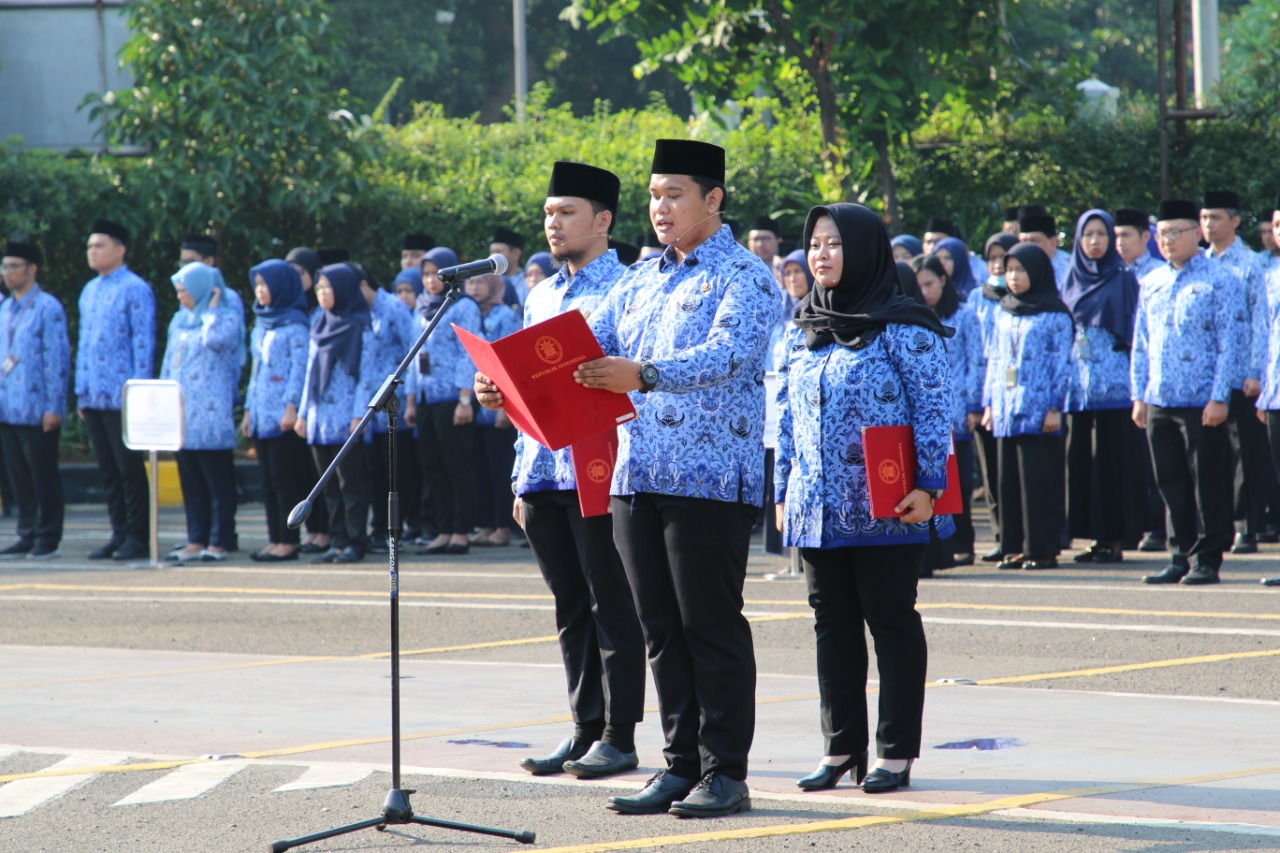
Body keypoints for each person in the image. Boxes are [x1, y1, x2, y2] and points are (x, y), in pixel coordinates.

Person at [574, 138, 780, 818]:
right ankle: (679, 764)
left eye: (674, 195)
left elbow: (727, 353)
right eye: (654, 195)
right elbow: (587, 343)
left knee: (708, 625)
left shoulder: (746, 276)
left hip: (710, 478)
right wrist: (512, 384)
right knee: (659, 626)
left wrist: (647, 375)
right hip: (637, 473)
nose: (659, 208)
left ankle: (726, 770)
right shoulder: (640, 277)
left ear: (712, 200)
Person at [476, 160, 648, 781]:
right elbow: (530, 393)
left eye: (566, 212)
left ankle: (619, 735)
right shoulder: (541, 292)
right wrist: (497, 398)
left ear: (602, 220)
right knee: (569, 604)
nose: (553, 223)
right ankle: (582, 731)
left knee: (612, 602)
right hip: (545, 470)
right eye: (548, 212)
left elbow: (640, 380)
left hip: (603, 468)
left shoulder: (631, 288)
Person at [775, 203, 953, 794]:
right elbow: (784, 417)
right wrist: (783, 491)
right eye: (815, 244)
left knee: (891, 622)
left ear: (866, 250)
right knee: (832, 625)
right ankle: (839, 748)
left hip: (889, 504)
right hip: (817, 507)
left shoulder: (905, 325)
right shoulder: (801, 328)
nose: (821, 254)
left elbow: (932, 411)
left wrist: (930, 487)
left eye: (834, 243)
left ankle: (895, 752)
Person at [1132, 199, 1246, 586]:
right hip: (1160, 397)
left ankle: (1208, 557)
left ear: (1196, 232)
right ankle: (1179, 554)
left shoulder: (1220, 279)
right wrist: (1139, 395)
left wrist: (1219, 397)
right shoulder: (1151, 282)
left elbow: (1231, 342)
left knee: (1207, 480)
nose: (1167, 240)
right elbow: (1141, 343)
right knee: (1170, 481)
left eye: (1175, 232)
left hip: (1202, 401)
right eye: (1161, 233)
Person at [1060, 210, 1145, 564]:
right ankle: (1094, 536)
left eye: (1101, 234)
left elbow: (1134, 332)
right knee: (1084, 464)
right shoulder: (1069, 280)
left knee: (1113, 464)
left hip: (1116, 388)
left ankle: (1114, 538)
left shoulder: (1123, 278)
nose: (1095, 241)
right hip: (1079, 389)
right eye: (1088, 234)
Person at [983, 242, 1074, 570]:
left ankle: (1042, 550)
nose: (1014, 277)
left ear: (1036, 272)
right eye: (1009, 270)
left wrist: (1055, 406)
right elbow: (994, 359)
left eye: (1021, 270)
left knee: (1038, 483)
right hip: (1006, 409)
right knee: (1008, 483)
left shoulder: (1055, 314)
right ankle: (1015, 547)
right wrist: (989, 404)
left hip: (1039, 411)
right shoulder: (1003, 309)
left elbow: (1062, 363)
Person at [76, 219, 155, 561]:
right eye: (90, 246)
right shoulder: (89, 290)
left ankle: (139, 536)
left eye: (100, 246)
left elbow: (143, 342)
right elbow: (84, 343)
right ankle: (119, 533)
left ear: (119, 250)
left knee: (129, 468)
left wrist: (139, 391)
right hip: (94, 394)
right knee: (108, 470)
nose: (92, 252)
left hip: (123, 395)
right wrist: (81, 390)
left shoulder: (135, 288)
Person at [1200, 191, 1274, 555]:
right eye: (1204, 217)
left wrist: (1256, 370)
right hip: (1207, 374)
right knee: (1210, 456)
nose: (1209, 224)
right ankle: (1215, 523)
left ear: (1234, 221)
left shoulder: (1251, 264)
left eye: (1215, 217)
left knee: (1245, 452)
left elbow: (1262, 324)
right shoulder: (1199, 262)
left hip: (1242, 374)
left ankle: (1248, 524)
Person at [159, 264, 240, 561]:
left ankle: (220, 540)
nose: (180, 296)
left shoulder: (224, 318)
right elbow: (169, 362)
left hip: (211, 414)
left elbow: (214, 341)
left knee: (217, 482)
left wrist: (213, 309)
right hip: (182, 413)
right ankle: (197, 538)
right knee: (191, 481)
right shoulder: (179, 321)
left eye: (185, 290)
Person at [405, 249, 483, 556]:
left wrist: (466, 398)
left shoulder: (463, 307)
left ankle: (460, 531)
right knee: (432, 467)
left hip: (453, 397)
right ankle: (440, 529)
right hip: (425, 398)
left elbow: (470, 353)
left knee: (457, 466)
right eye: (425, 274)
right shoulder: (421, 309)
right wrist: (411, 401)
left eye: (435, 273)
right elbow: (413, 358)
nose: (429, 280)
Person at [295, 264, 373, 564]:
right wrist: (303, 413)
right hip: (318, 417)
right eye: (319, 288)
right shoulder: (318, 322)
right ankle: (337, 540)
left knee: (350, 484)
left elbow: (365, 376)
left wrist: (359, 416)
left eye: (327, 287)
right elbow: (309, 372)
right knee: (325, 487)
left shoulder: (359, 325)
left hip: (345, 418)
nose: (322, 293)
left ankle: (356, 541)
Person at [910, 253, 983, 567]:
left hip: (958, 410)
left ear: (943, 279)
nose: (925, 291)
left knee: (960, 482)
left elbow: (976, 361)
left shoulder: (964, 314)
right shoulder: (912, 317)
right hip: (927, 414)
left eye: (929, 283)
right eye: (919, 285)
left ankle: (964, 543)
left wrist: (973, 404)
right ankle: (940, 546)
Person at [0, 242, 69, 560]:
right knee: (18, 476)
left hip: (37, 407)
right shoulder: (4, 309)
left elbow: (57, 359)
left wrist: (54, 405)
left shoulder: (47, 307)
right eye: (4, 267)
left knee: (43, 475)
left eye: (14, 266)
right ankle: (26, 532)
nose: (7, 273)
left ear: (32, 269)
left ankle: (47, 536)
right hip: (7, 407)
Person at [242, 260, 311, 562]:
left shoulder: (295, 325)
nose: (259, 290)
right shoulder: (261, 322)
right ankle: (273, 539)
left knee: (286, 479)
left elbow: (299, 370)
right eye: (256, 284)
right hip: (260, 411)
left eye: (264, 284)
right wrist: (247, 411)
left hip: (282, 413)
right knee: (267, 481)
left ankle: (289, 540)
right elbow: (255, 369)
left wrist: (292, 407)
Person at [356, 262, 417, 554]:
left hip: (395, 406)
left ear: (363, 284)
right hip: (369, 406)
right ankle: (377, 528)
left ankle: (396, 530)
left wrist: (412, 398)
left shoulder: (393, 307)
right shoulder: (358, 312)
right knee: (372, 471)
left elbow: (413, 350)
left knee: (396, 471)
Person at [464, 272, 520, 548]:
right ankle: (486, 525)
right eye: (470, 282)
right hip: (478, 403)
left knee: (500, 469)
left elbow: (511, 361)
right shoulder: (472, 314)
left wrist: (504, 409)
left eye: (480, 282)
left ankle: (502, 527)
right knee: (482, 469)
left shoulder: (506, 317)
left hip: (501, 405)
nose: (474, 287)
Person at [973, 233, 1019, 562]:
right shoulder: (977, 298)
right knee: (991, 472)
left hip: (1014, 395)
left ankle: (1020, 537)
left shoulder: (1024, 297)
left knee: (1013, 472)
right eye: (993, 258)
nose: (998, 265)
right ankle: (1001, 535)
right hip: (983, 393)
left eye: (1005, 258)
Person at [1017, 208, 1071, 289]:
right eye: (1024, 241)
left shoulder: (1070, 268)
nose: (1028, 246)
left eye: (1034, 241)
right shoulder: (1014, 265)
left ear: (1052, 242)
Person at [1114, 209, 1163, 282]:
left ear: (1145, 236)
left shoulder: (1161, 273)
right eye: (1116, 236)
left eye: (1125, 235)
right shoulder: (1110, 272)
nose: (1120, 243)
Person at [489, 226, 526, 309]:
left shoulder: (528, 283)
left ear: (516, 254)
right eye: (491, 252)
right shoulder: (487, 283)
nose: (492, 257)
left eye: (498, 252)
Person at [747, 215, 784, 283]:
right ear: (748, 242)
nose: (760, 245)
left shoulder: (786, 268)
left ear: (778, 240)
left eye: (766, 239)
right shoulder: (741, 270)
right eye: (756, 239)